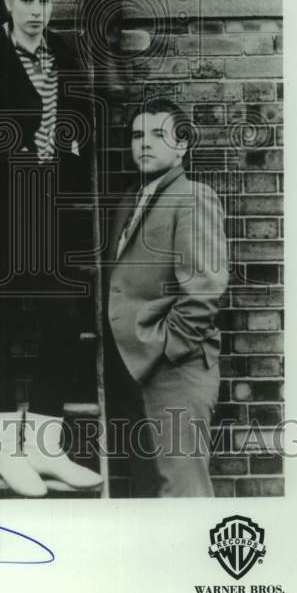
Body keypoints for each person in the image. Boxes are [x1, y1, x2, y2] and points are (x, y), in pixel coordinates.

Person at [0, 0, 103, 497]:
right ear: (9, 1)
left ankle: (45, 449)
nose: (37, 11)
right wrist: (17, 152)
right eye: (27, 0)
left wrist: (68, 145)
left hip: (50, 211)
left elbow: (83, 120)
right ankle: (5, 452)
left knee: (63, 321)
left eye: (46, 1)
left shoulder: (62, 52)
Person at [104, 97, 228, 497]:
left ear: (182, 144)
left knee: (183, 494)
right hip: (133, 371)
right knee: (148, 497)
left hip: (176, 371)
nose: (144, 143)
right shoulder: (129, 200)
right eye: (138, 134)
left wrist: (167, 348)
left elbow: (204, 291)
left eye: (159, 134)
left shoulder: (193, 196)